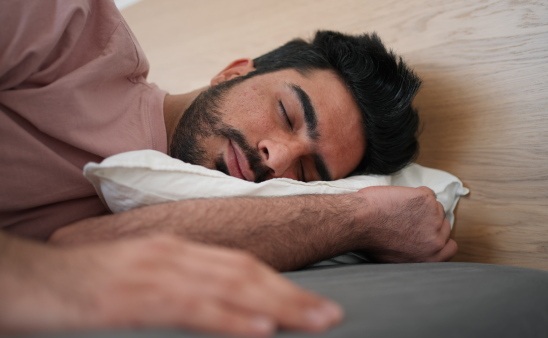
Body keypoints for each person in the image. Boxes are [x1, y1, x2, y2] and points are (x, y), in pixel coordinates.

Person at [0, 0, 456, 336]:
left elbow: (81, 249)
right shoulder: (71, 31)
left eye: (307, 172)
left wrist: (360, 218)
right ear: (234, 72)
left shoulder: (217, 217)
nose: (277, 159)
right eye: (288, 115)